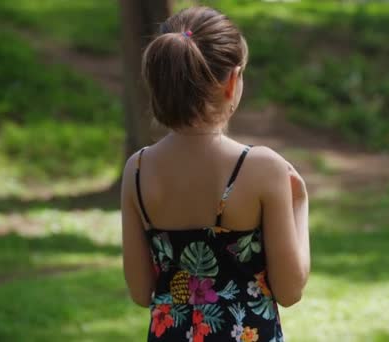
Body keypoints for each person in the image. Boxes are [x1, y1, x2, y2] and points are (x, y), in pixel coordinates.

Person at [120, 6, 310, 341]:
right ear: (232, 81)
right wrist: (300, 204)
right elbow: (290, 290)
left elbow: (140, 292)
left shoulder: (137, 169)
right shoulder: (262, 168)